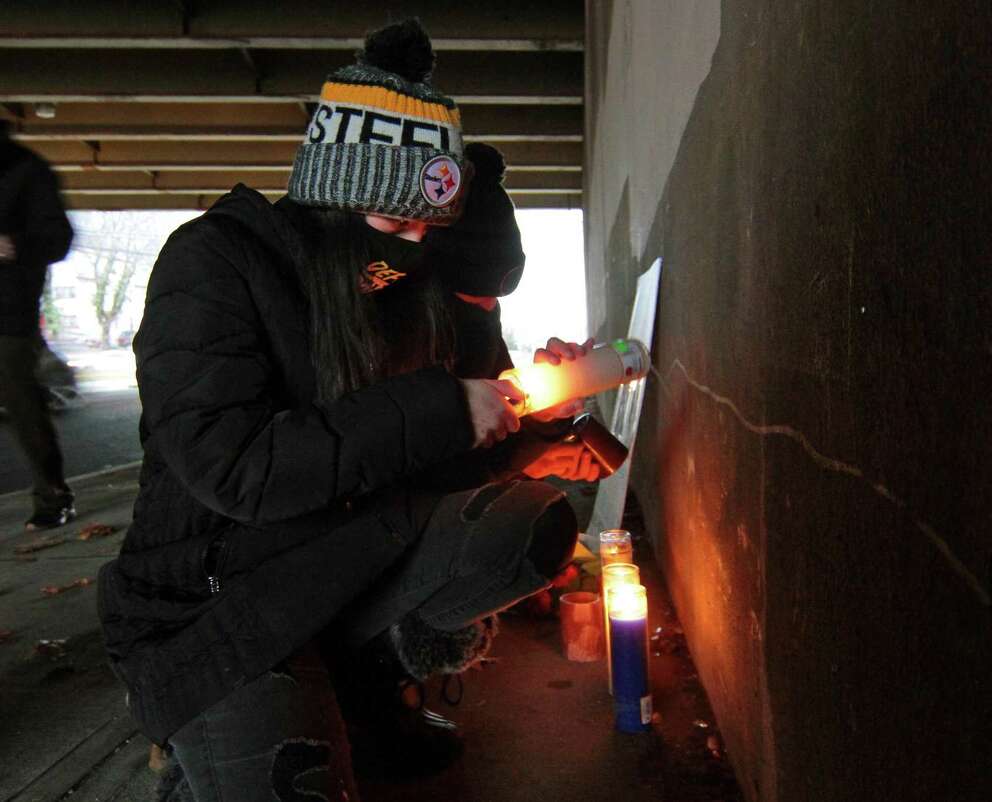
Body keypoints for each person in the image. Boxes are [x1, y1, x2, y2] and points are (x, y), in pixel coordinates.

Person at [97, 20, 599, 801]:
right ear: (333, 198)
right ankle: (205, 751)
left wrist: (530, 418)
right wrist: (441, 409)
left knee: (519, 525)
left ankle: (365, 681)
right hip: (218, 607)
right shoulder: (213, 263)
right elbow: (234, 466)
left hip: (351, 560)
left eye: (426, 231)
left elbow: (439, 462)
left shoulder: (400, 284)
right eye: (396, 224)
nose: (410, 249)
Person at [0, 118, 76, 530]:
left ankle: (52, 497)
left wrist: (14, 245)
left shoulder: (25, 170)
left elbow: (59, 238)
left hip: (8, 312)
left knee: (22, 404)